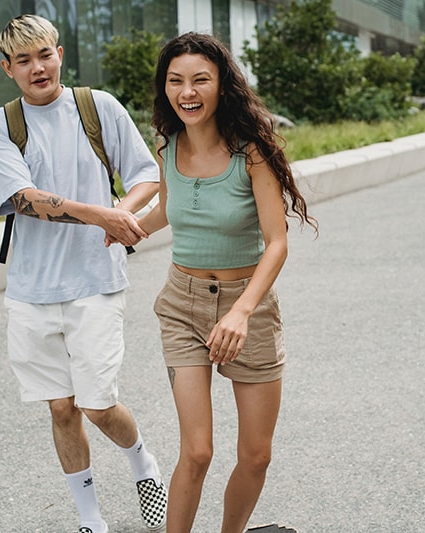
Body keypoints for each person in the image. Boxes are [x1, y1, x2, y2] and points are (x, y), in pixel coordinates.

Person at [0, 14, 167, 533]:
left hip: (95, 281)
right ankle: (91, 521)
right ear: (8, 68)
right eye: (23, 60)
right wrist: (102, 214)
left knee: (99, 404)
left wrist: (123, 211)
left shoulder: (97, 107)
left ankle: (142, 462)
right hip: (31, 289)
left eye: (44, 54)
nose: (37, 67)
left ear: (59, 52)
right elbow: (24, 199)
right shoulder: (0, 125)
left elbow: (147, 173)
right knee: (61, 408)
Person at [135, 32, 317, 533]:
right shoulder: (167, 145)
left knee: (256, 455)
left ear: (222, 86)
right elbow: (168, 211)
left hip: (248, 308)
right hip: (182, 305)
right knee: (196, 451)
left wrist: (240, 312)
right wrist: (119, 229)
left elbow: (276, 243)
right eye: (175, 81)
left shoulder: (250, 154)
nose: (186, 92)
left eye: (199, 80)